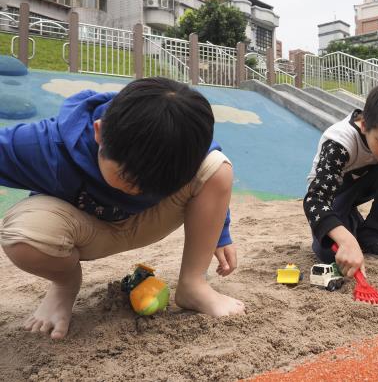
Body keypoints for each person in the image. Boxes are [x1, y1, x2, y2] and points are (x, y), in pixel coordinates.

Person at [0, 77, 245, 340]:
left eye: (157, 184)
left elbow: (207, 172)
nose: (139, 190)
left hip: (149, 221)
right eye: (128, 178)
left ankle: (193, 284)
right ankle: (64, 284)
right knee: (24, 237)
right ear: (99, 133)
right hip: (83, 230)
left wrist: (220, 232)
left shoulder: (180, 142)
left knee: (218, 167)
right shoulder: (47, 145)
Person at [303, 82, 378, 278]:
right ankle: (350, 225)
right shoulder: (339, 143)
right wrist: (346, 240)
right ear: (365, 125)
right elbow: (314, 200)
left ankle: (372, 233)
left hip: (363, 184)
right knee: (330, 254)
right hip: (333, 192)